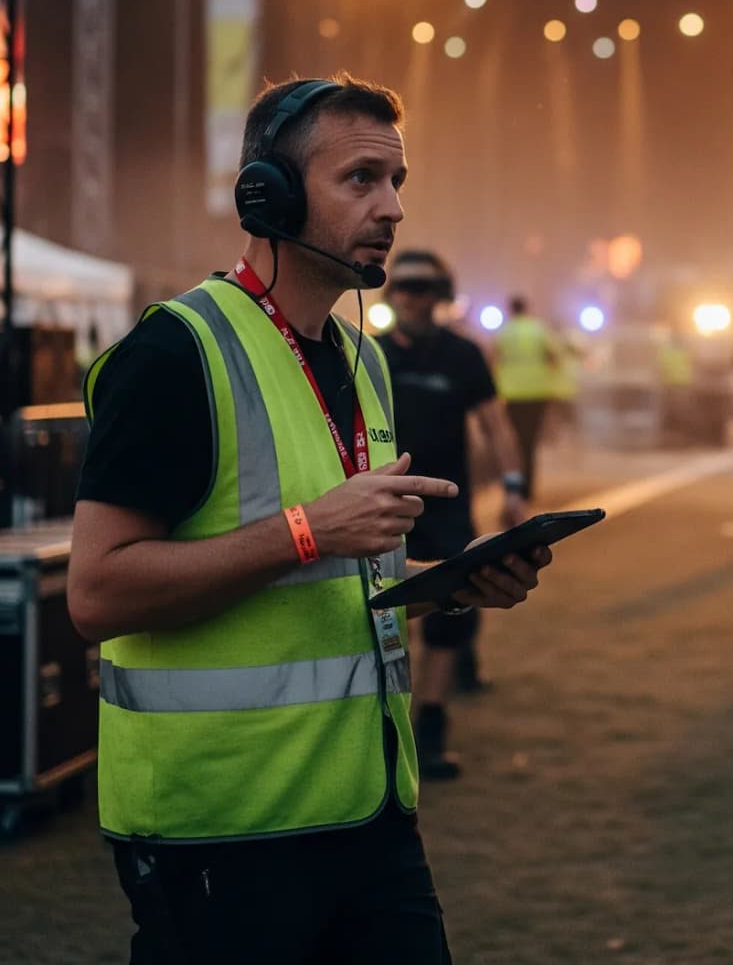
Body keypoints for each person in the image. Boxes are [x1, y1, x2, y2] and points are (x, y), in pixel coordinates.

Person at [68, 76, 551, 963]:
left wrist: (448, 588)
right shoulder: (176, 353)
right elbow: (96, 593)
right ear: (270, 196)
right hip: (222, 830)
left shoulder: (364, 360)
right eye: (360, 179)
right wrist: (308, 529)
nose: (393, 208)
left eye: (397, 181)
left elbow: (336, 593)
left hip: (368, 813)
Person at [379, 249, 530, 781]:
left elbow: (496, 424)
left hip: (447, 504)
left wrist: (513, 486)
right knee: (382, 613)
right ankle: (387, 724)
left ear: (441, 296)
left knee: (447, 609)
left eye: (424, 291)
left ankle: (432, 729)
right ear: (390, 292)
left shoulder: (463, 356)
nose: (413, 300)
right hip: (384, 506)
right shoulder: (368, 355)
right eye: (405, 289)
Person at [493, 295, 560, 496]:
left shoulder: (504, 332)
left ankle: (515, 484)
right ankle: (528, 488)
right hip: (537, 394)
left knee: (514, 441)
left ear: (510, 309)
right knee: (530, 442)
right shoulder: (538, 330)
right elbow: (553, 356)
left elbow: (494, 358)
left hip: (512, 394)